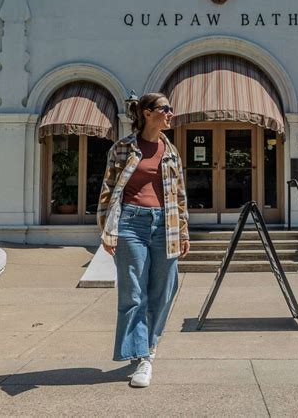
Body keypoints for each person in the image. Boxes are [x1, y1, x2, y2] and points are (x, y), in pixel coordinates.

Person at [97, 92, 189, 388]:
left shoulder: (171, 151)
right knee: (133, 292)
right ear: (147, 113)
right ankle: (143, 356)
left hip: (166, 224)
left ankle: (148, 345)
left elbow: (180, 195)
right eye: (165, 109)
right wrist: (106, 229)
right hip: (131, 224)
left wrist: (183, 229)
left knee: (164, 290)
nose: (170, 114)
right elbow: (108, 191)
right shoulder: (123, 148)